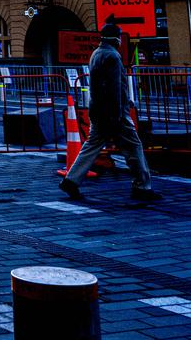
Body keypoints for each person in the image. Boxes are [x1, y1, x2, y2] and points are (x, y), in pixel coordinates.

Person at [59, 18, 161, 202]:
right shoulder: (113, 56)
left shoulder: (96, 53)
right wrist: (119, 113)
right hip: (115, 113)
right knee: (133, 146)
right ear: (116, 38)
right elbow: (114, 88)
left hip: (97, 110)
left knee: (92, 146)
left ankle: (71, 180)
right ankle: (142, 186)